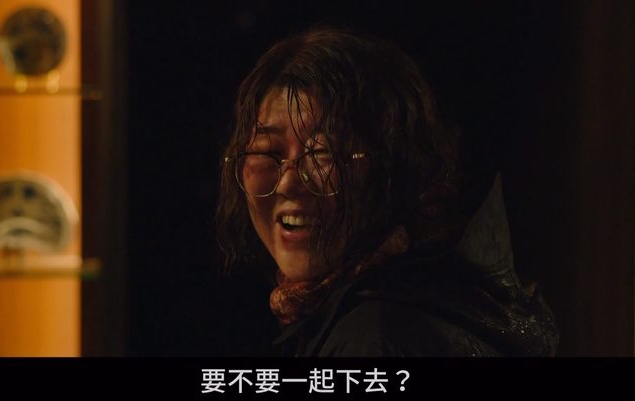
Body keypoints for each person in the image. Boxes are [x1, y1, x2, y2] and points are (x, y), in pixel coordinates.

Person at [216, 27, 558, 356]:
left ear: (395, 167)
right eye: (269, 152)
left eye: (323, 153)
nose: (289, 182)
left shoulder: (377, 338)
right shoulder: (440, 299)